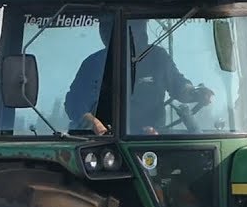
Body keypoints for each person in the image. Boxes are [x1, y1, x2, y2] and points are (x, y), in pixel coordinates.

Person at [66, 18, 212, 135]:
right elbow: (74, 103)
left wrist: (195, 93)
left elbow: (178, 86)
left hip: (151, 141)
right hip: (105, 145)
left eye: (135, 23)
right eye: (109, 24)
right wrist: (93, 123)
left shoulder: (157, 57)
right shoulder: (94, 63)